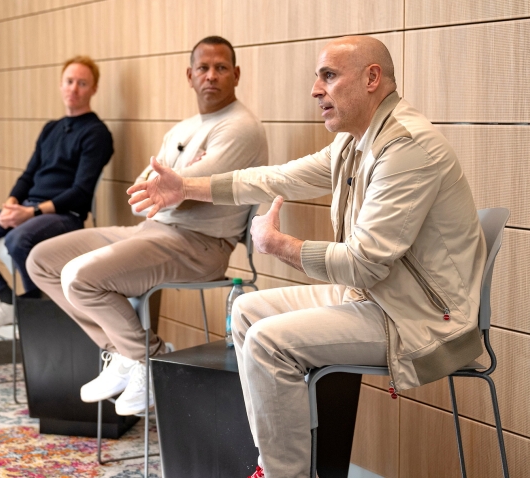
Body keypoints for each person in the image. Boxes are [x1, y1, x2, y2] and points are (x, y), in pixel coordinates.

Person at [127, 35, 485, 478]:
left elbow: (364, 263)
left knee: (267, 341)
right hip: (377, 297)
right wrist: (185, 186)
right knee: (247, 313)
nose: (316, 89)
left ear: (372, 78)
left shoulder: (406, 148)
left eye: (329, 76)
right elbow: (278, 178)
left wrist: (281, 246)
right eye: (318, 77)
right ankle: (276, 466)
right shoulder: (355, 142)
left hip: (420, 318)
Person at [26, 35, 269, 416]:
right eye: (203, 68)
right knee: (42, 260)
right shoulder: (183, 128)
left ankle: (148, 360)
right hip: (153, 231)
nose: (211, 76)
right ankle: (122, 352)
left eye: (221, 68)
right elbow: (143, 197)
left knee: (80, 277)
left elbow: (176, 192)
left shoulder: (240, 127)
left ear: (236, 74)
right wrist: (184, 178)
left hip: (199, 245)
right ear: (189, 75)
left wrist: (179, 182)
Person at [0, 56, 113, 333]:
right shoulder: (51, 128)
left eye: (82, 84)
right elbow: (28, 175)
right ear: (60, 85)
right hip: (27, 209)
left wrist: (31, 212)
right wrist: (12, 203)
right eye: (69, 82)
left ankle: (37, 306)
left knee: (18, 239)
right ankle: (10, 303)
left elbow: (81, 193)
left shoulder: (97, 133)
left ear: (93, 89)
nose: (74, 89)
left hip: (63, 216)